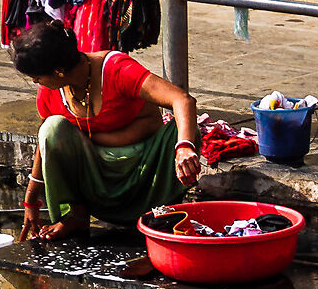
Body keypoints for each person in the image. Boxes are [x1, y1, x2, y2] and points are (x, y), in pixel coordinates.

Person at [11, 20, 202, 241]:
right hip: (96, 176)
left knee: (185, 129)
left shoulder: (116, 69)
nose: (35, 81)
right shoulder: (50, 92)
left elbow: (182, 100)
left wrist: (184, 148)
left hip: (144, 171)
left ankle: (160, 213)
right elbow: (46, 144)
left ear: (59, 71)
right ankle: (75, 215)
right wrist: (30, 200)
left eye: (37, 76)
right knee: (51, 129)